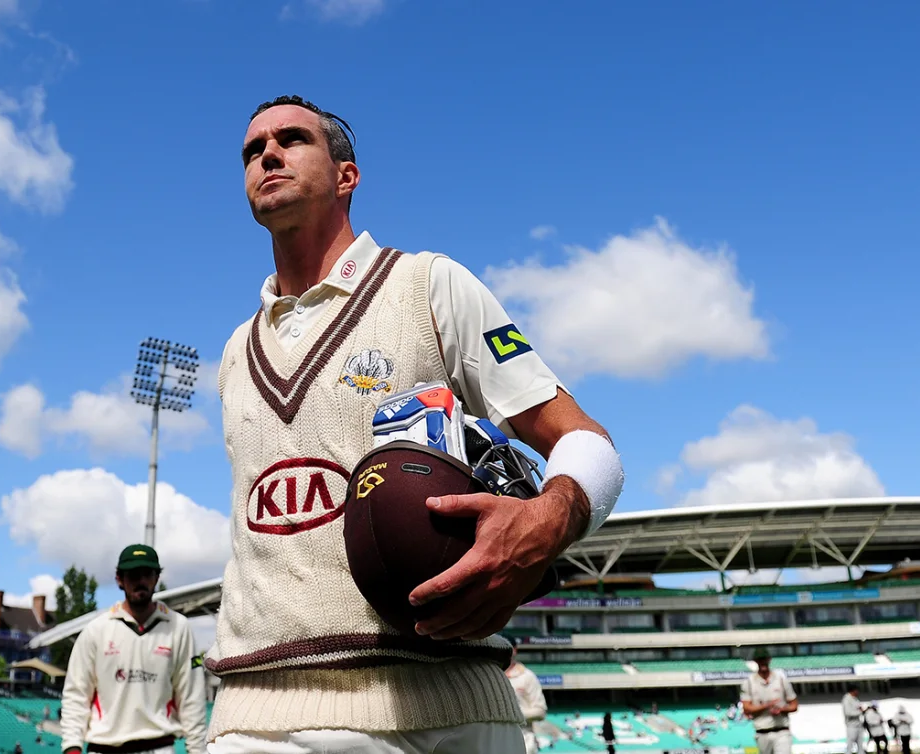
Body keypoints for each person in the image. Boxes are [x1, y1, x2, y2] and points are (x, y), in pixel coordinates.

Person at [203, 95, 624, 753]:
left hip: (444, 704)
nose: (268, 156)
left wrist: (548, 520)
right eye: (253, 150)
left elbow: (585, 440)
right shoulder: (235, 350)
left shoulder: (428, 285)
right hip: (256, 714)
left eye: (291, 139)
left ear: (347, 176)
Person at [61, 544, 207, 754]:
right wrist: (72, 748)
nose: (141, 581)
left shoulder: (178, 627)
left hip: (159, 747)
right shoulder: (97, 630)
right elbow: (76, 694)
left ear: (156, 578)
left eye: (147, 574)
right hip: (104, 747)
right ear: (120, 579)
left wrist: (197, 751)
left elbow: (192, 697)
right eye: (133, 575)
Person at [739, 648, 798, 754]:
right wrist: (767, 706)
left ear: (769, 659)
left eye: (764, 659)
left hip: (782, 730)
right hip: (762, 732)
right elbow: (746, 708)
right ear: (755, 661)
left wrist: (782, 709)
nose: (763, 662)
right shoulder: (749, 682)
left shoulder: (780, 679)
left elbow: (794, 705)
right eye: (760, 660)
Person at [505, 647, 548, 754]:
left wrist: (511, 716)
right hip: (494, 739)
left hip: (523, 739)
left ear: (514, 650)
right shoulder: (490, 676)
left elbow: (540, 711)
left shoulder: (527, 676)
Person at [842, 685, 864, 754]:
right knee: (850, 744)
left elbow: (859, 708)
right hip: (851, 725)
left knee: (860, 745)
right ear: (853, 690)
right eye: (857, 690)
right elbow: (848, 713)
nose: (858, 692)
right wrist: (860, 712)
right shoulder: (846, 699)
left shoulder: (856, 699)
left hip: (859, 724)